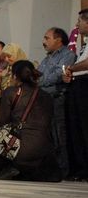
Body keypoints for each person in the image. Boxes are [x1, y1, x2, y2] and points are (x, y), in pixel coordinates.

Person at [0, 60, 61, 182]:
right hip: (42, 147)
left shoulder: (11, 92)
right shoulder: (46, 96)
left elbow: (3, 122)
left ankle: (10, 168)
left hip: (20, 148)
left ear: (15, 76)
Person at [37, 27, 75, 176]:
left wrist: (41, 81)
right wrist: (40, 80)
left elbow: (58, 75)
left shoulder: (68, 55)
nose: (43, 42)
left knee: (60, 134)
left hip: (58, 99)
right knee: (48, 135)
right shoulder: (47, 59)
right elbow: (37, 76)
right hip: (45, 100)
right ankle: (51, 167)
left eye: (47, 38)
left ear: (58, 40)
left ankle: (63, 169)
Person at [64, 9, 88, 179]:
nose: (76, 25)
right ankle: (81, 168)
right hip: (78, 84)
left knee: (85, 127)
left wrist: (71, 68)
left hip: (85, 84)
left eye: (80, 21)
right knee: (77, 128)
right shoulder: (85, 44)